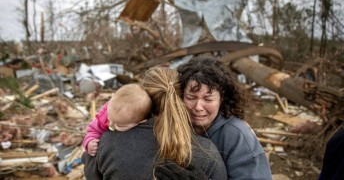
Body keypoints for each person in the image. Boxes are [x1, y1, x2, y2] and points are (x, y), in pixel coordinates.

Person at [82, 66, 228, 180]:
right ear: (181, 96)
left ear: (144, 94)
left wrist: (88, 156)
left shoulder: (107, 143)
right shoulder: (206, 152)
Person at [177, 55, 272, 180]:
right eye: (191, 98)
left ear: (221, 99)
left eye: (208, 99)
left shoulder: (237, 137)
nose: (198, 107)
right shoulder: (174, 124)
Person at [82, 83, 152, 156]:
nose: (110, 124)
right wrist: (89, 142)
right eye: (109, 118)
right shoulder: (107, 114)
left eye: (119, 125)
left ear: (141, 122)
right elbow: (93, 130)